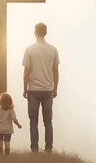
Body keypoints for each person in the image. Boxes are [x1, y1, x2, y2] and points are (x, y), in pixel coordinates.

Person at [22, 22, 59, 153]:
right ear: (46, 33)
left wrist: (24, 88)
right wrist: (55, 88)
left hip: (33, 90)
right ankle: (48, 148)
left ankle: (34, 149)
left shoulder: (29, 50)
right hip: (47, 90)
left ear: (35, 32)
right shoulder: (53, 50)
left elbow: (27, 72)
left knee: (33, 121)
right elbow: (55, 71)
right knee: (48, 121)